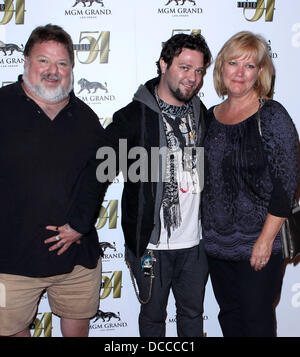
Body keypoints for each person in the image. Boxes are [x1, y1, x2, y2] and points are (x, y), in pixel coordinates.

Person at [0, 24, 107, 337]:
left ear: (72, 69)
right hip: (10, 260)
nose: (53, 71)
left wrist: (80, 225)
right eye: (43, 61)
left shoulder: (86, 118)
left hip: (77, 260)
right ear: (26, 62)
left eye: (62, 63)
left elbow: (97, 179)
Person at [103, 33, 212, 337]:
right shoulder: (133, 116)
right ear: (164, 64)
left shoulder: (202, 115)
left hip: (195, 243)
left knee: (192, 316)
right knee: (152, 320)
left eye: (199, 70)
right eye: (184, 67)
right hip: (151, 245)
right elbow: (99, 166)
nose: (193, 78)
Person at [201, 31, 299, 337]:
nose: (240, 73)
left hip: (259, 244)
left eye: (250, 65)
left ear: (260, 72)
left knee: (256, 323)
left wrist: (266, 240)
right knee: (230, 320)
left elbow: (287, 184)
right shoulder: (210, 117)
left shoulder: (272, 115)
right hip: (217, 244)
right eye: (233, 63)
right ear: (221, 67)